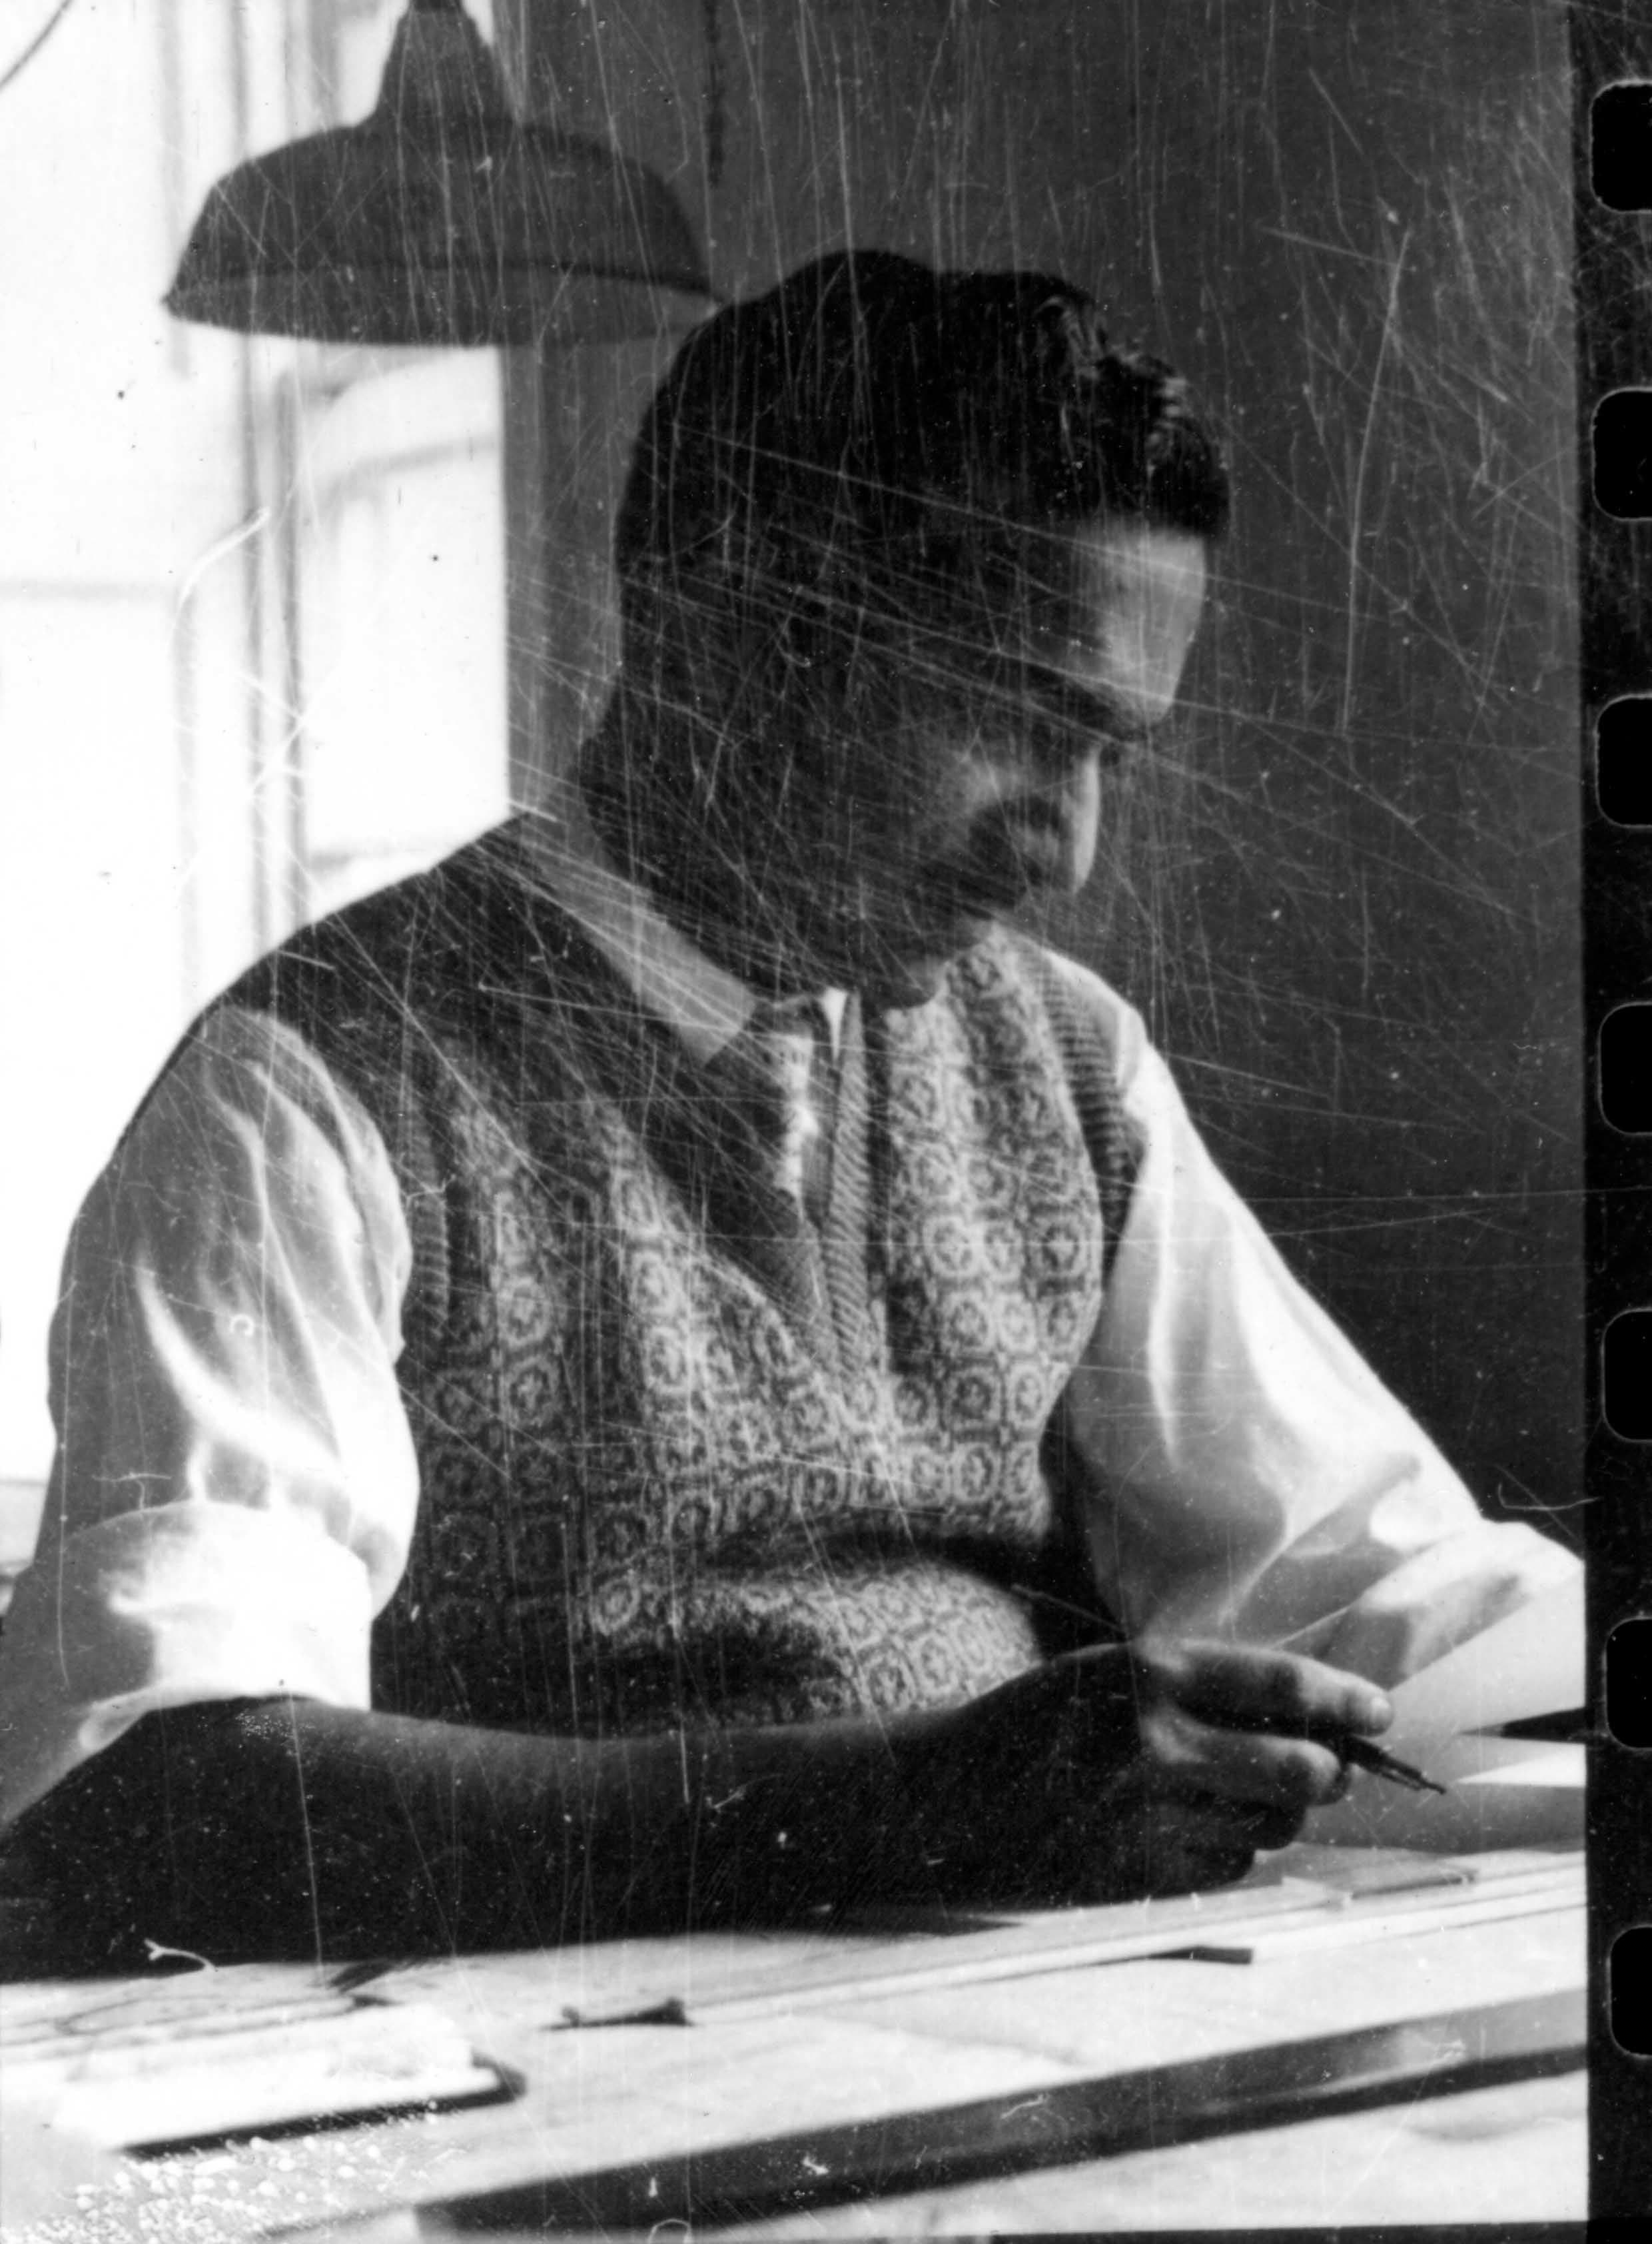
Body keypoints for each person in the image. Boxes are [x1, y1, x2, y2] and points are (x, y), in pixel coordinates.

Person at [0, 251, 1576, 1962]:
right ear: (716, 620)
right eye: (1010, 715)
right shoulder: (308, 1091)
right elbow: (162, 1797)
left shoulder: (1065, 1063)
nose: (1071, 843)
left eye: (1109, 748)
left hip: (1023, 2026)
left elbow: (1371, 1583)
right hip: (554, 2109)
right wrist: (900, 1799)